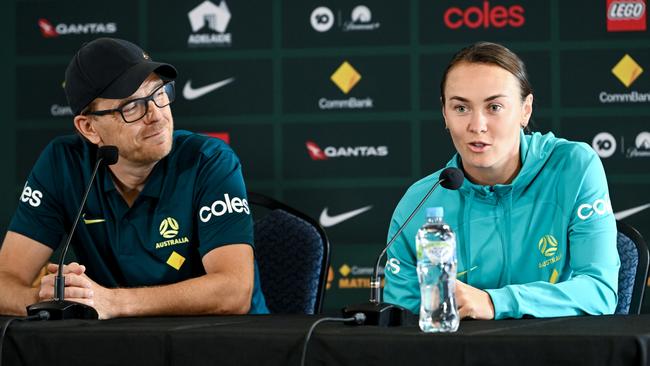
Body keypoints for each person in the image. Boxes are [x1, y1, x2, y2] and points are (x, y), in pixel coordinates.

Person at [0, 37, 268, 318]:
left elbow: (234, 292)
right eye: (132, 107)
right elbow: (5, 283)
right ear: (89, 128)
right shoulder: (62, 164)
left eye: (159, 93)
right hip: (121, 347)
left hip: (221, 346)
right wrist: (54, 299)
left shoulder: (208, 160)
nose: (156, 115)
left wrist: (113, 303)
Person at [384, 42, 619, 320]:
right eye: (461, 108)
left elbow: (600, 290)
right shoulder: (419, 203)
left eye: (494, 106)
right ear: (444, 113)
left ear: (525, 110)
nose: (477, 125)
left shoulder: (573, 167)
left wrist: (495, 302)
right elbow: (401, 321)